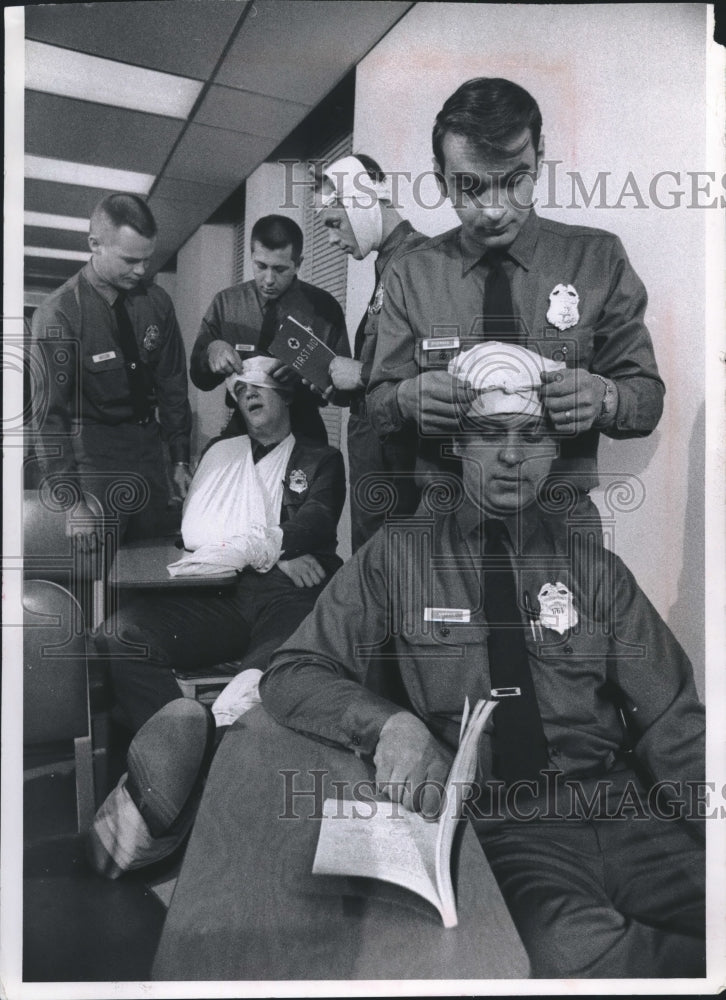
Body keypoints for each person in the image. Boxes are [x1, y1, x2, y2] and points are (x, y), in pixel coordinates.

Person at [259, 341, 704, 979]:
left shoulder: (597, 571)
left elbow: (672, 722)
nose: (513, 455)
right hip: (513, 828)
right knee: (575, 954)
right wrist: (390, 725)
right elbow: (293, 674)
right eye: (490, 434)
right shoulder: (397, 557)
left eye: (531, 435)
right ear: (458, 446)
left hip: (627, 808)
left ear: (553, 450)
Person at [366, 77, 665, 515]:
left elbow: (647, 398)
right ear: (439, 179)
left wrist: (604, 396)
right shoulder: (411, 273)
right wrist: (405, 398)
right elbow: (376, 405)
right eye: (469, 186)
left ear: (540, 159)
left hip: (560, 530)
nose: (493, 209)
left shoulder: (598, 260)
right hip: (443, 527)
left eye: (513, 181)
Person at [96, 355, 346, 733]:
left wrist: (258, 547)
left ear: (286, 395)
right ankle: (179, 743)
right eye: (241, 389)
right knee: (120, 636)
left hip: (289, 595)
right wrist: (273, 555)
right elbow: (195, 530)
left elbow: (317, 520)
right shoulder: (221, 454)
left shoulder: (321, 459)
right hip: (219, 592)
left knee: (260, 680)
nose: (249, 394)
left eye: (259, 386)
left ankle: (226, 750)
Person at [31, 193, 192, 542]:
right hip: (94, 459)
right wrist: (72, 500)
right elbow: (49, 417)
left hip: (151, 456)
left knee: (157, 561)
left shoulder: (157, 303)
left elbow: (173, 386)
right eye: (130, 260)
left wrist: (180, 459)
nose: (142, 271)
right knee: (98, 572)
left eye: (147, 260)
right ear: (95, 244)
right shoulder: (59, 313)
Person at [316, 153, 427, 549]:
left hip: (398, 465)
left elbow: (440, 370)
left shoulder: (420, 264)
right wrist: (350, 384)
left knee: (392, 573)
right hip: (377, 461)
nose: (330, 239)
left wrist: (361, 374)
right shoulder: (391, 264)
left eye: (333, 223)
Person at [190, 214, 350, 444]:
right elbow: (199, 379)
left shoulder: (324, 309)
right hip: (243, 428)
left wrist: (307, 367)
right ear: (251, 257)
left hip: (303, 431)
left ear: (299, 263)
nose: (268, 279)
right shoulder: (227, 304)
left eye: (280, 269)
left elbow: (345, 394)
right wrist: (211, 352)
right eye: (261, 266)